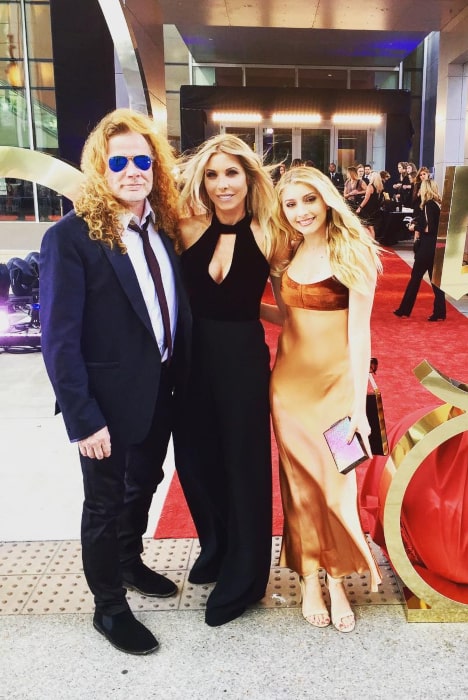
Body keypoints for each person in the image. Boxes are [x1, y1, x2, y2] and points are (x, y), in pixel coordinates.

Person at [40, 108, 191, 655]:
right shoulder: (72, 238)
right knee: (102, 505)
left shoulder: (164, 229)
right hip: (104, 404)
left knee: (144, 484)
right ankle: (109, 608)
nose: (132, 171)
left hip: (160, 393)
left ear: (156, 166)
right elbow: (58, 340)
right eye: (119, 161)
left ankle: (129, 562)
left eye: (142, 160)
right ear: (101, 170)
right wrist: (83, 419)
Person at [264, 166, 382, 633]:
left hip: (335, 390)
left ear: (327, 200)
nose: (300, 212)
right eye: (290, 204)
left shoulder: (352, 251)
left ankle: (338, 580)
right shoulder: (287, 252)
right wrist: (232, 304)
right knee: (298, 486)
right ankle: (310, 578)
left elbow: (360, 336)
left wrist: (358, 407)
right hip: (288, 389)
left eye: (308, 201)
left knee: (336, 487)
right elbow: (288, 317)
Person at [173, 133, 284, 627]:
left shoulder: (268, 232)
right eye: (213, 174)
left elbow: (286, 308)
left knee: (244, 463)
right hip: (191, 357)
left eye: (231, 173)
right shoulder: (187, 225)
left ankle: (244, 576)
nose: (222, 184)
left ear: (249, 177)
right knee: (195, 459)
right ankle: (216, 547)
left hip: (241, 357)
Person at [393, 178, 446, 321]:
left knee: (415, 278)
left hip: (427, 246)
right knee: (435, 281)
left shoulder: (428, 204)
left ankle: (404, 309)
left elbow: (428, 227)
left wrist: (414, 227)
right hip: (436, 246)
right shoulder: (438, 204)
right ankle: (440, 311)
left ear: (426, 189)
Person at [355, 170, 384, 238]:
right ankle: (372, 243)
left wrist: (360, 207)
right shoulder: (380, 187)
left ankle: (368, 242)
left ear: (373, 178)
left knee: (364, 226)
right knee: (371, 227)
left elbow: (366, 199)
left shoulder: (370, 186)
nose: (369, 177)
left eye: (370, 176)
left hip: (367, 209)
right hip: (375, 209)